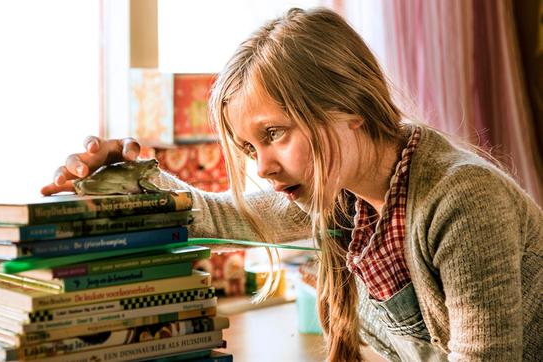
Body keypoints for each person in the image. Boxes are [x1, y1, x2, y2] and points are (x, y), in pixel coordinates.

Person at [41, 7, 542, 362]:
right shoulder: (343, 196)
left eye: (274, 134)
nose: (263, 168)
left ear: (348, 105)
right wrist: (127, 178)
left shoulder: (463, 200)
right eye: (250, 149)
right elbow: (223, 216)